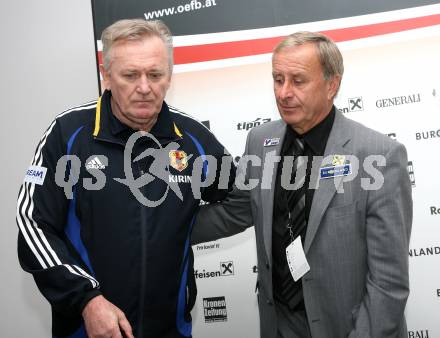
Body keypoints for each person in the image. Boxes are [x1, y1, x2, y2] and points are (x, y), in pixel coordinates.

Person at [16, 19, 234, 338]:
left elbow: (239, 196)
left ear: (169, 76)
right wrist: (86, 299)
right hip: (88, 329)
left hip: (171, 330)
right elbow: (33, 223)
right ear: (107, 75)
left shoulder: (193, 140)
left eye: (155, 74)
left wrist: (187, 226)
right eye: (130, 75)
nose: (144, 87)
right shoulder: (67, 134)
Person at [192, 31, 412, 338]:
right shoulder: (260, 142)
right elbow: (237, 210)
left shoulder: (379, 155)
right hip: (280, 324)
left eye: (298, 80)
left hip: (348, 327)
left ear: (331, 85)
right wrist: (164, 229)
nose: (283, 92)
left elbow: (388, 282)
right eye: (278, 79)